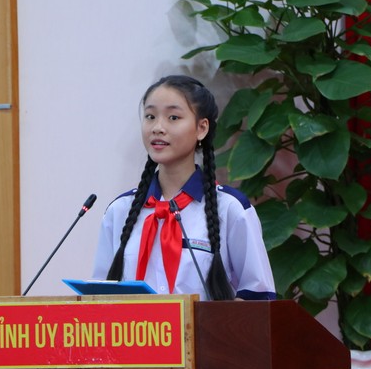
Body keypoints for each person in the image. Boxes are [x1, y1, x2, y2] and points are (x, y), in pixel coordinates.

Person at [92, 75, 276, 301]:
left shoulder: (230, 209)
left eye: (173, 117)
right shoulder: (120, 211)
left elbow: (258, 298)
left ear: (201, 128)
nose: (158, 128)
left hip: (206, 336)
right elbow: (99, 301)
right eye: (150, 116)